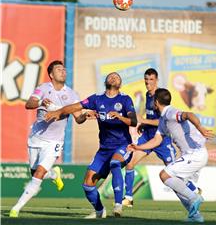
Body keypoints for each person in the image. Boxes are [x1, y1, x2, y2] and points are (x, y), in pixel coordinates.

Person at [44, 72, 137, 218]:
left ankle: (119, 204)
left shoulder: (125, 99)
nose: (114, 78)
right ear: (105, 81)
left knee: (114, 163)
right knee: (87, 184)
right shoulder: (96, 99)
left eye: (117, 77)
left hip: (123, 145)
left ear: (120, 83)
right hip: (104, 149)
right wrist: (59, 111)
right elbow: (75, 107)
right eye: (111, 76)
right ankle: (100, 211)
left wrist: (119, 116)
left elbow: (134, 121)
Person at [9, 60, 89, 218]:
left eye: (64, 69)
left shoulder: (72, 94)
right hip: (36, 137)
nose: (63, 71)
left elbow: (79, 119)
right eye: (59, 69)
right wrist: (40, 102)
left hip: (55, 141)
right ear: (51, 74)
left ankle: (16, 208)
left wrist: (86, 116)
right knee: (34, 171)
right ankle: (54, 174)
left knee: (38, 174)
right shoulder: (43, 88)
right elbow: (29, 104)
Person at [128, 88, 214, 222]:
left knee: (164, 175)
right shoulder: (163, 119)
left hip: (195, 154)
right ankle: (195, 215)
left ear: (156, 102)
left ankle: (194, 197)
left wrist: (200, 128)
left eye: (153, 102)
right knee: (177, 183)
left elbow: (189, 114)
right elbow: (156, 140)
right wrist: (138, 147)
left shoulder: (171, 112)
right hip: (192, 156)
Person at [122, 68, 177, 207]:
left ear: (156, 80)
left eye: (151, 79)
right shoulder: (147, 95)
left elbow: (164, 121)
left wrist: (144, 121)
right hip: (147, 137)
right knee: (130, 163)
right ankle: (128, 197)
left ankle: (194, 190)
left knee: (174, 172)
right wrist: (144, 125)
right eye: (146, 79)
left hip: (162, 140)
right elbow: (151, 116)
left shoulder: (162, 97)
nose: (148, 82)